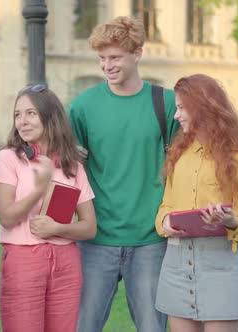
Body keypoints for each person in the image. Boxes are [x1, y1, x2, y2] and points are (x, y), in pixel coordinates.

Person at [68, 16, 179, 332]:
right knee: (82, 326)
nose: (107, 65)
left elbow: (183, 166)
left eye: (115, 57)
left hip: (150, 239)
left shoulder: (167, 104)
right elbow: (66, 173)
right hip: (96, 239)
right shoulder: (82, 107)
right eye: (102, 58)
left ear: (138, 53)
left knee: (152, 328)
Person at [155, 74, 238, 332]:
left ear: (202, 106)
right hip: (177, 264)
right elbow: (165, 207)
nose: (176, 115)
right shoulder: (177, 155)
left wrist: (231, 221)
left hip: (220, 267)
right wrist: (165, 222)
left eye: (182, 107)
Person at [0, 84, 97, 332]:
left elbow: (89, 227)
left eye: (31, 113)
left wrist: (58, 228)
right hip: (24, 261)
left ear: (50, 117)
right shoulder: (8, 159)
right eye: (17, 114)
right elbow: (6, 217)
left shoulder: (72, 166)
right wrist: (39, 188)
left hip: (67, 264)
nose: (22, 121)